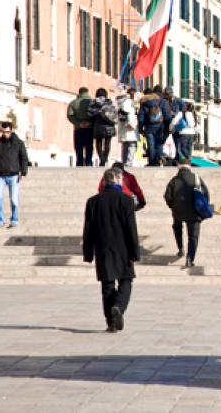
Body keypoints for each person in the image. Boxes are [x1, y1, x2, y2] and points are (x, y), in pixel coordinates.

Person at [83, 168, 140, 333]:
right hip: (123, 249)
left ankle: (111, 321)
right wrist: (134, 252)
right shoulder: (126, 201)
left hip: (103, 249)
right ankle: (118, 307)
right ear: (119, 181)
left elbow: (88, 230)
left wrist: (88, 252)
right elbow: (131, 229)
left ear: (105, 182)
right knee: (126, 280)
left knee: (107, 285)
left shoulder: (93, 202)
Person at [164, 158, 210, 267]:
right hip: (195, 212)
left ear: (179, 166)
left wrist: (173, 206)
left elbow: (167, 196)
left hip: (178, 211)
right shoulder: (196, 178)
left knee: (177, 227)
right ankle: (190, 258)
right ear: (189, 166)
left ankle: (180, 248)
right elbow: (206, 194)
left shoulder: (174, 180)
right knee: (193, 236)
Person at [0, 121, 29, 229]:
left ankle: (14, 219)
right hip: (0, 175)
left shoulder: (19, 143)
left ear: (11, 131)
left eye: (7, 132)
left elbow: (24, 158)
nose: (5, 134)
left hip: (13, 175)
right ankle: (0, 220)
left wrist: (23, 171)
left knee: (14, 199)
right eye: (3, 132)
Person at [137, 87, 171, 166]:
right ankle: (159, 158)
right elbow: (167, 116)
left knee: (151, 144)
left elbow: (141, 117)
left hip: (149, 127)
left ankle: (152, 162)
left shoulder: (144, 103)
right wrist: (167, 127)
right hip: (160, 127)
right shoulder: (162, 101)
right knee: (159, 144)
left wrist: (140, 128)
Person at [88, 88, 118, 166]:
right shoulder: (110, 102)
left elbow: (89, 114)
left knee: (98, 143)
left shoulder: (94, 103)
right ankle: (105, 158)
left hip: (98, 125)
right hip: (109, 125)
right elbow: (115, 113)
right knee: (107, 143)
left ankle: (102, 159)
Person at [67, 87, 94, 166]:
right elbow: (96, 114)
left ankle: (79, 162)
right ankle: (89, 161)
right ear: (87, 92)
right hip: (90, 128)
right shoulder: (92, 102)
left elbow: (70, 116)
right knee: (89, 146)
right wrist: (90, 123)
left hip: (78, 128)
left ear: (79, 92)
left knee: (79, 146)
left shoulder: (73, 103)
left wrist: (78, 123)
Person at [116, 89, 139, 167]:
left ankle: (124, 162)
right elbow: (129, 113)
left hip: (123, 127)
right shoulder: (128, 102)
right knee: (132, 145)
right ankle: (128, 162)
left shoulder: (121, 102)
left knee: (125, 145)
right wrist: (130, 124)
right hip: (130, 127)